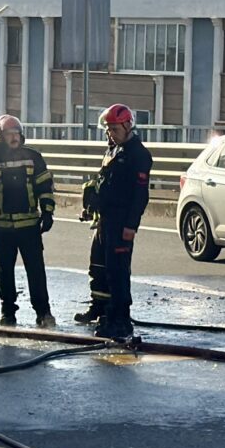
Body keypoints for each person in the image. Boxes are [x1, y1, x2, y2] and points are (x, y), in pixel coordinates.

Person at [73, 104, 152, 340]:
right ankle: (100, 308)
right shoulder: (113, 150)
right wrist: (92, 207)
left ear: (128, 126)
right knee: (99, 264)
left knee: (118, 271)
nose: (110, 133)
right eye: (108, 129)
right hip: (105, 219)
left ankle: (120, 320)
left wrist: (131, 226)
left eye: (114, 129)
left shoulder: (138, 154)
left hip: (121, 221)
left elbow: (140, 195)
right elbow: (103, 183)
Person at [0, 114, 56, 327]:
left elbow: (44, 187)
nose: (14, 137)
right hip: (1, 227)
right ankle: (7, 312)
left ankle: (43, 312)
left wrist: (47, 212)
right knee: (4, 271)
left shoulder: (33, 157)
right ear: (0, 136)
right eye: (9, 133)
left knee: (36, 270)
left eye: (16, 133)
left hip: (29, 225)